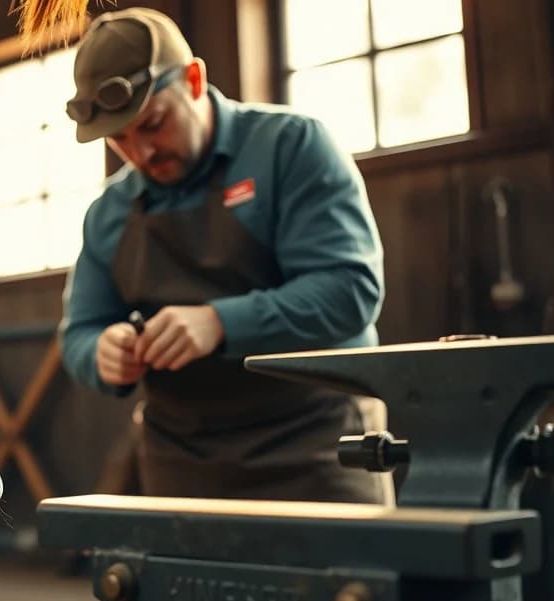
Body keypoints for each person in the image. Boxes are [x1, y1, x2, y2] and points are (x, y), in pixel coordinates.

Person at [58, 7, 393, 504]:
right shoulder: (108, 212)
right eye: (120, 139)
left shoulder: (291, 146)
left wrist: (219, 323)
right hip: (183, 462)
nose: (141, 153)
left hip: (318, 442)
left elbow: (350, 291)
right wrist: (101, 353)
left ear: (194, 80)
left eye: (153, 124)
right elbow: (79, 333)